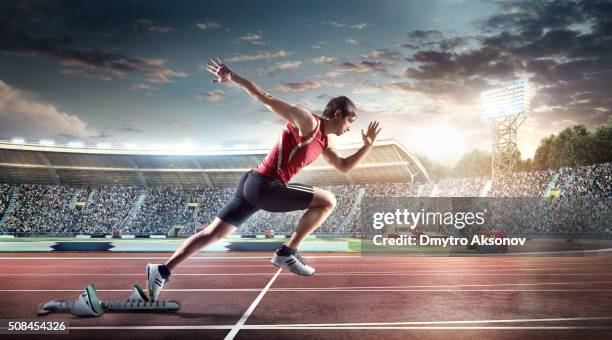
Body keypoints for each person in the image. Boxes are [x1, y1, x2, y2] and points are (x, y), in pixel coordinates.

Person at [146, 57, 381, 301]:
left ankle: (162, 271)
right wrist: (232, 77)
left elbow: (344, 166)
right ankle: (287, 252)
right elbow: (266, 98)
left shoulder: (325, 142)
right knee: (328, 200)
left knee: (213, 234)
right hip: (265, 185)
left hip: (253, 183)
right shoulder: (308, 121)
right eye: (350, 122)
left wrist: (368, 146)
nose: (350, 128)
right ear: (339, 113)